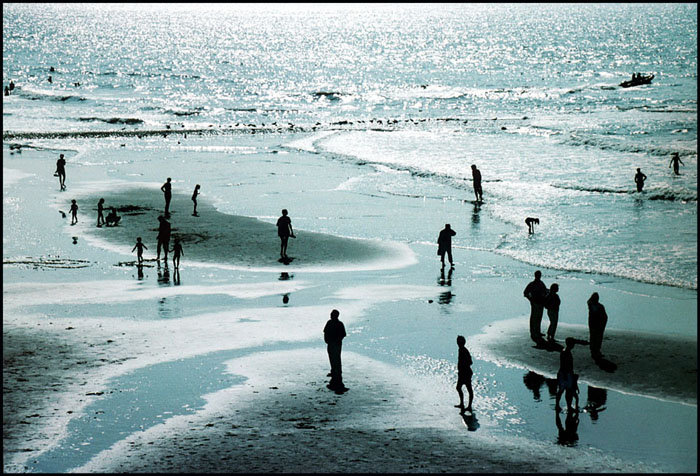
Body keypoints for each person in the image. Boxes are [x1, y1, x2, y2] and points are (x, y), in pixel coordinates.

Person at [323, 309, 348, 393]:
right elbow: (326, 333)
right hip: (333, 343)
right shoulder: (334, 323)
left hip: (335, 343)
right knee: (334, 357)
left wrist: (333, 340)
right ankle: (335, 371)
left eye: (332, 314)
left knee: (335, 357)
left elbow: (342, 334)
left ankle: (336, 372)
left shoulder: (335, 323)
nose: (331, 315)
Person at [523, 270, 547, 345]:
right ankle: (533, 332)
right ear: (536, 275)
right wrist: (530, 300)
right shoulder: (532, 284)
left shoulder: (540, 283)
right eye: (538, 275)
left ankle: (537, 331)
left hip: (540, 303)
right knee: (534, 317)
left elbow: (545, 291)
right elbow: (525, 293)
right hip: (535, 303)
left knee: (539, 317)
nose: (539, 276)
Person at [555, 337, 579, 413]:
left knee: (561, 391)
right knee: (567, 391)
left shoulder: (564, 351)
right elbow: (566, 365)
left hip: (563, 373)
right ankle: (568, 407)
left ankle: (558, 405)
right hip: (566, 374)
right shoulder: (566, 352)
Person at [455, 335, 474, 413]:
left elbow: (470, 362)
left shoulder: (464, 350)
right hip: (463, 373)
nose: (457, 342)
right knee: (459, 388)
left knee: (468, 389)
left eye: (458, 341)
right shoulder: (461, 349)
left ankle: (469, 406)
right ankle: (462, 404)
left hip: (465, 373)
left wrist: (463, 367)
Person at [587, 292, 608, 360]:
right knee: (598, 338)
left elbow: (588, 301)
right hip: (598, 324)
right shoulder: (600, 306)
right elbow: (604, 316)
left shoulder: (590, 305)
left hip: (592, 324)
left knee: (593, 337)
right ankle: (596, 351)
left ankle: (594, 351)